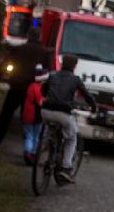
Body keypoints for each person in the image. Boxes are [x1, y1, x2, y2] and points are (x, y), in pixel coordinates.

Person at [0, 27, 48, 147]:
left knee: (6, 115)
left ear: (28, 36)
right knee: (32, 120)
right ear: (39, 37)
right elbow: (46, 73)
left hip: (17, 87)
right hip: (33, 90)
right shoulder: (44, 53)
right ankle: (31, 148)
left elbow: (5, 64)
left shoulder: (19, 49)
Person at [41, 54, 98, 183]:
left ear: (62, 63)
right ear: (74, 66)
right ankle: (66, 168)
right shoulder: (75, 79)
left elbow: (43, 91)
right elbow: (87, 96)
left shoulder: (52, 75)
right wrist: (94, 107)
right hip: (63, 113)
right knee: (71, 138)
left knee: (49, 129)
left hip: (45, 111)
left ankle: (42, 148)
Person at [21, 64, 49, 165]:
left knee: (28, 134)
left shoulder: (31, 86)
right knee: (35, 136)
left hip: (27, 113)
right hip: (36, 115)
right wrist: (47, 100)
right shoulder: (39, 88)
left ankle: (28, 152)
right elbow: (40, 102)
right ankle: (31, 153)